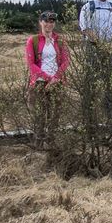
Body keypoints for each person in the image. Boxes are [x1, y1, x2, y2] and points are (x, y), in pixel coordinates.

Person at [25, 11, 70, 146]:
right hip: (39, 82)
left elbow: (66, 61)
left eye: (52, 21)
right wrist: (47, 78)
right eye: (46, 21)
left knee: (55, 114)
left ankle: (51, 143)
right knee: (39, 115)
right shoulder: (33, 41)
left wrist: (56, 78)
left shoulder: (60, 40)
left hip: (57, 82)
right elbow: (31, 64)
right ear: (40, 22)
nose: (49, 24)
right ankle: (38, 145)